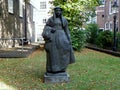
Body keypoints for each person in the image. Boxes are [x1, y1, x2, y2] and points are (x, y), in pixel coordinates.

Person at [42, 6, 75, 74]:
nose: (58, 12)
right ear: (54, 11)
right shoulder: (51, 19)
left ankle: (62, 68)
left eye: (59, 10)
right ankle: (52, 69)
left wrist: (69, 39)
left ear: (61, 12)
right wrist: (51, 29)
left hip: (62, 37)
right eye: (56, 10)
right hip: (53, 38)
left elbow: (66, 30)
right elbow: (46, 27)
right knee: (53, 53)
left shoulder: (64, 20)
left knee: (63, 52)